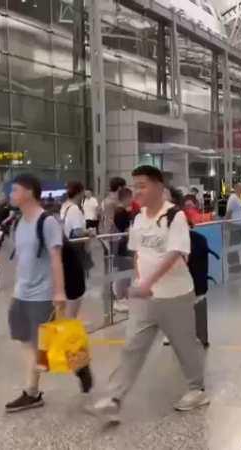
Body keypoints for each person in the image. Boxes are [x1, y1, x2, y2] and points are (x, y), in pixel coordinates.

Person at [92, 165, 208, 422]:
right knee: (132, 346)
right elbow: (138, 253)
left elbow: (174, 254)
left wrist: (149, 283)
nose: (137, 191)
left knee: (185, 345)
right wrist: (139, 281)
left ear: (159, 187)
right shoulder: (138, 218)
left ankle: (197, 389)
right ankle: (114, 397)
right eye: (135, 185)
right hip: (147, 297)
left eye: (142, 185)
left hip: (175, 295)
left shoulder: (175, 216)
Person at [5, 173, 92, 413]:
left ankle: (36, 389)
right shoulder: (18, 223)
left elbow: (56, 259)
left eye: (15, 190)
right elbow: (22, 258)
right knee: (26, 339)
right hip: (21, 292)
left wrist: (59, 293)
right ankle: (35, 388)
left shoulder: (47, 222)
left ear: (29, 192)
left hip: (43, 294)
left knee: (51, 342)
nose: (11, 195)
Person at [60, 181, 96, 318]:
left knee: (69, 288)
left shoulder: (65, 206)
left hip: (66, 249)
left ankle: (68, 319)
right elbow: (77, 232)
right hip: (75, 251)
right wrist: (89, 231)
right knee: (76, 290)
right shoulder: (74, 209)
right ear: (80, 192)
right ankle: (71, 321)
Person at [112, 187, 134, 314]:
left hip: (122, 247)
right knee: (123, 275)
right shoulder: (121, 213)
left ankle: (123, 298)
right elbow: (126, 231)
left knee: (126, 274)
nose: (132, 200)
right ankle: (119, 300)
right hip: (123, 247)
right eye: (131, 197)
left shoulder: (119, 211)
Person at [225, 182, 241, 272]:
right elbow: (228, 212)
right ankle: (231, 265)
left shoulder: (238, 198)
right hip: (234, 225)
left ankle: (237, 263)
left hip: (239, 225)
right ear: (237, 188)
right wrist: (228, 224)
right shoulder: (233, 198)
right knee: (233, 244)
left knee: (237, 244)